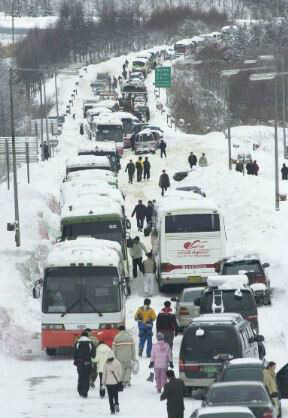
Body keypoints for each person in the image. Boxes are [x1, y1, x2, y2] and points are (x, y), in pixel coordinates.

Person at [73, 330, 96, 398]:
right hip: (88, 363)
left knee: (80, 376)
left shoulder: (77, 343)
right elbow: (93, 354)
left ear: (81, 336)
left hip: (79, 363)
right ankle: (85, 392)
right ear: (87, 336)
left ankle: (80, 391)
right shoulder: (90, 343)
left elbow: (75, 354)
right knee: (86, 377)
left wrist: (76, 361)